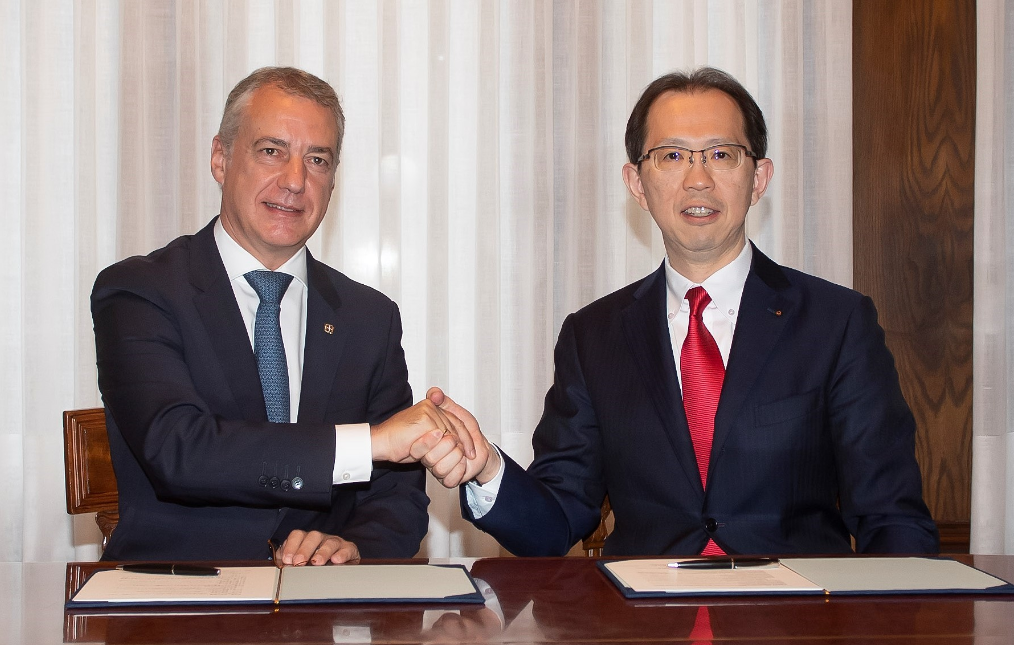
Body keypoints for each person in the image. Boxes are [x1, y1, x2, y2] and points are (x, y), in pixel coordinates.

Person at [424, 67, 939, 556]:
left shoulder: (836, 323)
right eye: (672, 156)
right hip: (645, 609)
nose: (698, 179)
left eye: (722, 154)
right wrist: (486, 469)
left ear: (759, 178)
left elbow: (892, 518)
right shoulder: (594, 336)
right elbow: (556, 521)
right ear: (636, 184)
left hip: (792, 608)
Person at [92, 67, 471, 564]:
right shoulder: (140, 291)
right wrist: (370, 442)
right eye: (271, 151)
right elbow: (178, 450)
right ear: (220, 159)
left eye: (317, 160)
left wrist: (355, 548)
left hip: (319, 601)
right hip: (177, 593)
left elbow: (397, 497)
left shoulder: (369, 317)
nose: (295, 180)